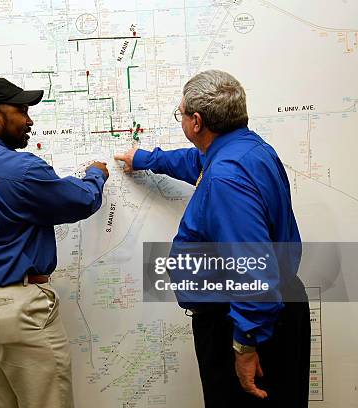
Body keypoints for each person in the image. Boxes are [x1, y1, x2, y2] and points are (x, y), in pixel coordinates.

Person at [114, 70, 310, 407]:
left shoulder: (226, 178)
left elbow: (253, 268)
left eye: (182, 114)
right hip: (264, 311)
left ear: (196, 122)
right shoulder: (246, 150)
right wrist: (147, 159)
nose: (182, 121)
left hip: (245, 320)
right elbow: (196, 160)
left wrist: (246, 345)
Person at [0, 77, 109, 408]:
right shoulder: (20, 169)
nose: (29, 121)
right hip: (17, 307)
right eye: (22, 111)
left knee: (5, 402)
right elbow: (80, 201)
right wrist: (96, 174)